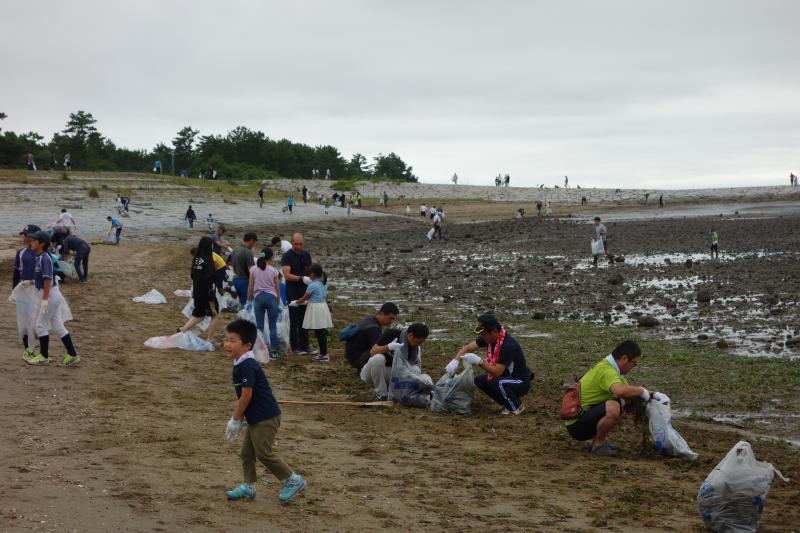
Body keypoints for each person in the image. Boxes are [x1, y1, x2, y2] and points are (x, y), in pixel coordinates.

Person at [222, 319, 307, 502]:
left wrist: (235, 419)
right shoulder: (240, 362)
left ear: (247, 345)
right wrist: (243, 418)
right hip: (255, 417)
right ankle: (249, 486)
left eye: (233, 340)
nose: (227, 344)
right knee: (247, 453)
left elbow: (246, 396)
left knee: (264, 453)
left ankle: (292, 479)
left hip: (266, 417)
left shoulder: (248, 365)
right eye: (226, 339)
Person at [564, 341, 653, 457]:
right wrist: (642, 391)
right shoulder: (607, 371)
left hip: (583, 417)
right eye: (634, 363)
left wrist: (654, 395)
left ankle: (598, 441)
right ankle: (598, 445)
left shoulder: (612, 370)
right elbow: (620, 391)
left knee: (621, 402)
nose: (634, 367)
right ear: (624, 358)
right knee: (614, 406)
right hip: (576, 425)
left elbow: (628, 391)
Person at [456, 314, 532, 416]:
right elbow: (468, 348)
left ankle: (516, 407)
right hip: (505, 378)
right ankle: (507, 403)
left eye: (484, 334)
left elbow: (497, 372)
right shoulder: (489, 338)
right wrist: (455, 361)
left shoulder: (508, 345)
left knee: (497, 383)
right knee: (480, 381)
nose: (482, 337)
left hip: (520, 382)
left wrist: (480, 361)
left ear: (494, 331)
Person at [24, 231, 80, 367]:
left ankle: (44, 356)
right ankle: (72, 355)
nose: (31, 242)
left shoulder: (45, 258)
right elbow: (42, 277)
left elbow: (48, 279)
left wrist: (44, 299)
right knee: (58, 326)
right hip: (50, 295)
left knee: (40, 325)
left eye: (34, 241)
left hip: (49, 295)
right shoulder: (40, 257)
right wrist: (31, 282)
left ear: (42, 244)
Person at [360, 322, 429, 401]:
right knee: (378, 358)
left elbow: (416, 367)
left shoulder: (416, 349)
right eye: (418, 342)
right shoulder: (392, 334)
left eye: (421, 342)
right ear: (410, 335)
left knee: (415, 369)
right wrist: (389, 347)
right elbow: (372, 352)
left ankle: (394, 390)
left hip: (390, 375)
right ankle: (381, 394)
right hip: (370, 373)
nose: (418, 345)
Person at [179, 237, 220, 342]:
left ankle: (182, 329)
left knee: (199, 314)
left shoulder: (196, 258)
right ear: (209, 246)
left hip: (196, 291)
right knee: (215, 315)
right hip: (206, 292)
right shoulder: (208, 259)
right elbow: (209, 276)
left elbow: (192, 275)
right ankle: (210, 339)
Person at [290, 263, 332, 362]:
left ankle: (324, 354)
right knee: (321, 331)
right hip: (322, 306)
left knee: (319, 332)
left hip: (316, 308)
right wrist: (304, 302)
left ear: (313, 274)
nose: (309, 275)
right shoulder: (323, 283)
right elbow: (318, 297)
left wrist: (296, 302)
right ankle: (324, 353)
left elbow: (304, 297)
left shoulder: (312, 285)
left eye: (310, 273)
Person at [281, 233, 314, 355]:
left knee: (304, 320)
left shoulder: (306, 255)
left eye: (301, 244)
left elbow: (310, 271)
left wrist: (312, 279)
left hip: (305, 292)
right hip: (292, 292)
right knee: (294, 321)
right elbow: (286, 275)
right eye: (296, 244)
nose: (299, 246)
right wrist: (301, 278)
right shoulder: (287, 256)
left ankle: (305, 345)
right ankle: (295, 347)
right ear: (292, 243)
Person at [345, 302, 399, 371]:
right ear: (382, 314)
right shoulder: (374, 329)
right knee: (381, 356)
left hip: (351, 354)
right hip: (356, 359)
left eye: (393, 319)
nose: (391, 321)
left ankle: (362, 368)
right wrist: (394, 362)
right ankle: (365, 369)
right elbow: (377, 350)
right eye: (390, 318)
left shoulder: (370, 319)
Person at [246, 247, 281, 352]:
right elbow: (277, 288)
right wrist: (278, 300)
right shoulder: (274, 270)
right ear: (271, 257)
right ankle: (274, 350)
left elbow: (250, 287)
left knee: (259, 326)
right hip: (271, 298)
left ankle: (260, 349)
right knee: (272, 326)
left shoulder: (253, 269)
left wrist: (248, 301)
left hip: (258, 298)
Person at [231, 232, 258, 307]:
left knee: (240, 303)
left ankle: (240, 317)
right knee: (248, 304)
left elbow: (230, 263)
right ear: (251, 240)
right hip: (245, 281)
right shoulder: (248, 252)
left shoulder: (235, 250)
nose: (254, 245)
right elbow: (251, 270)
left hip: (235, 279)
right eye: (254, 242)